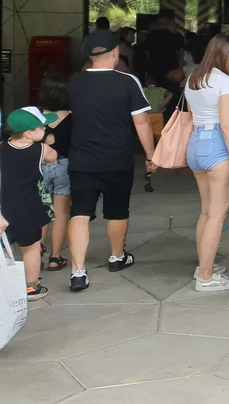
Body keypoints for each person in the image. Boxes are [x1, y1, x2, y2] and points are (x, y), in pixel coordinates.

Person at [66, 30, 157, 292]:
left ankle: (78, 272)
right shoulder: (128, 81)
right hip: (117, 159)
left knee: (80, 212)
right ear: (116, 53)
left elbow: (62, 116)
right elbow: (141, 122)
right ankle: (117, 256)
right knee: (117, 210)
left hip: (81, 159)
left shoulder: (73, 82)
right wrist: (151, 155)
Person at [183, 34, 229, 292]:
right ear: (225, 52)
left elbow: (191, 115)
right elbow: (227, 126)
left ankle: (203, 266)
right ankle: (206, 277)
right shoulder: (226, 83)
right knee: (216, 215)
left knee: (206, 211)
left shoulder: (193, 78)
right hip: (217, 146)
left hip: (196, 144)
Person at [2, 107, 59, 300]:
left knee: (4, 249)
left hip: (4, 209)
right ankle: (31, 287)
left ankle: (6, 286)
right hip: (29, 209)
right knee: (31, 248)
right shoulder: (40, 149)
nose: (45, 130)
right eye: (42, 128)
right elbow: (54, 157)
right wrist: (47, 142)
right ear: (29, 133)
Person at [36, 73, 72, 273]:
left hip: (40, 165)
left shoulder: (37, 116)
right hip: (64, 166)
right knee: (60, 214)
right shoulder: (73, 117)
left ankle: (37, 251)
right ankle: (55, 258)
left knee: (42, 211)